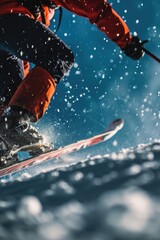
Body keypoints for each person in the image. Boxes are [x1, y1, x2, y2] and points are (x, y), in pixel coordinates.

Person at [0, 0, 144, 156]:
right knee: (58, 56)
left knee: (12, 96)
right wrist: (127, 41)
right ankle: (14, 125)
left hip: (6, 34)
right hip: (9, 21)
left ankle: (3, 143)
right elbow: (96, 7)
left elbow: (21, 60)